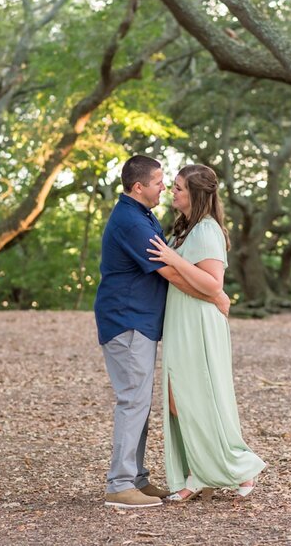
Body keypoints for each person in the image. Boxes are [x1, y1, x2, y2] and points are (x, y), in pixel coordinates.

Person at [94, 156, 230, 509]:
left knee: (139, 399)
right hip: (127, 321)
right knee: (133, 399)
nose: (164, 188)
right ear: (138, 187)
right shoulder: (131, 222)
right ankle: (120, 484)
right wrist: (215, 295)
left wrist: (214, 294)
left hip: (139, 321)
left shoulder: (143, 216)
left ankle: (136, 479)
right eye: (159, 182)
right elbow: (169, 274)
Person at [146, 164, 267, 501]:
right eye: (172, 186)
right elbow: (183, 279)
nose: (173, 192)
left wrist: (175, 259)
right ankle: (197, 471)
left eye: (179, 188)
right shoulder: (185, 229)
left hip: (200, 323)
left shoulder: (208, 231)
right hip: (181, 319)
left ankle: (239, 467)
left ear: (197, 195)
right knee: (177, 399)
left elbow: (214, 284)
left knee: (199, 396)